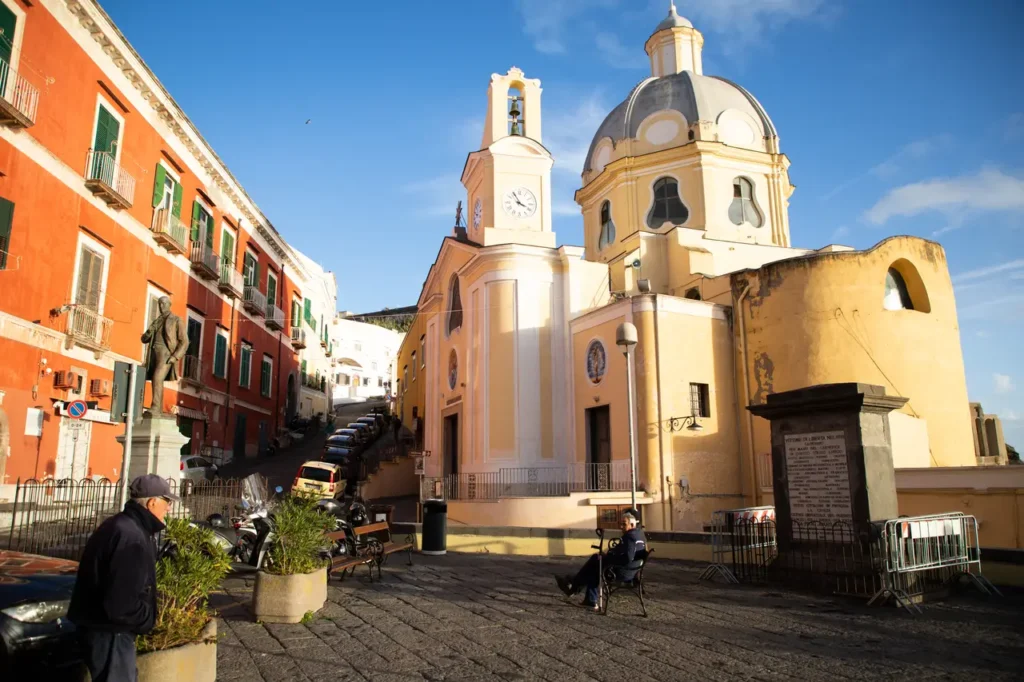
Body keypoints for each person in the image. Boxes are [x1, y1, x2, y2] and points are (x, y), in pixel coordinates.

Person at [69, 474, 178, 682]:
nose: (169, 508)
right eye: (167, 502)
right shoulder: (131, 536)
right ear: (153, 502)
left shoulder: (122, 525)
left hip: (102, 629)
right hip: (111, 633)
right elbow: (120, 605)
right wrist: (147, 618)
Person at [556, 509, 646, 610]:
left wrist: (609, 558)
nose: (621, 527)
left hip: (621, 572)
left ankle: (575, 587)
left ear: (633, 524)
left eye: (624, 524)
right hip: (632, 572)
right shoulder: (640, 535)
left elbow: (627, 558)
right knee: (596, 562)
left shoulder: (630, 537)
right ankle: (578, 590)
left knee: (596, 563)